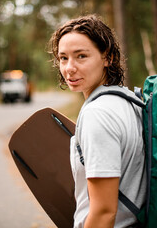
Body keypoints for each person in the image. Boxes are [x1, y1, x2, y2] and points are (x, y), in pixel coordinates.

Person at [49, 14, 146, 228]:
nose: (69, 68)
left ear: (107, 58)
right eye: (63, 58)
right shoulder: (129, 100)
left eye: (81, 56)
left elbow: (103, 212)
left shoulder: (97, 115)